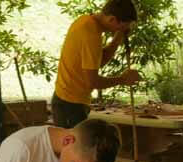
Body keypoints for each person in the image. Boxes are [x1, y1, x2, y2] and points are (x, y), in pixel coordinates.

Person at [51, 0, 141, 128]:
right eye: (121, 26)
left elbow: (98, 63)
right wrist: (122, 79)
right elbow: (92, 82)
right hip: (69, 104)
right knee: (75, 147)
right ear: (112, 19)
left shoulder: (86, 21)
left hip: (71, 101)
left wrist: (118, 37)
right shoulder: (91, 34)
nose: (122, 29)